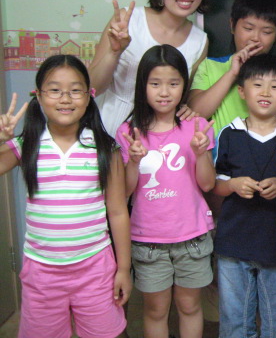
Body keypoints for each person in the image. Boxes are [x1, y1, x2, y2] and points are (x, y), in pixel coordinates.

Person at [0, 55, 131, 338]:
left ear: (89, 95)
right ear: (38, 95)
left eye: (75, 90)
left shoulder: (104, 148)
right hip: (41, 272)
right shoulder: (26, 144)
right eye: (55, 90)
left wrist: (124, 268)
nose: (65, 98)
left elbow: (118, 211)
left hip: (95, 267)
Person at [115, 45, 216, 338]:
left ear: (184, 85)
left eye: (173, 83)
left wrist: (201, 153)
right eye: (155, 83)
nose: (164, 92)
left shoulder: (197, 127)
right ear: (142, 85)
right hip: (148, 240)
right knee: (156, 311)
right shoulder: (129, 131)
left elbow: (208, 184)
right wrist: (134, 162)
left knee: (190, 307)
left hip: (192, 237)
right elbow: (125, 191)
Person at [213, 53, 276, 338]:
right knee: (234, 321)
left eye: (275, 87)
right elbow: (215, 184)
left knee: (274, 321)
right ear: (242, 91)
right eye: (257, 85)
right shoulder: (229, 134)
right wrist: (233, 185)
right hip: (234, 242)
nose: (265, 92)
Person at [90, 0, 214, 136]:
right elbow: (92, 88)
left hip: (158, 138)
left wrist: (187, 108)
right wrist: (114, 53)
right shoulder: (128, 21)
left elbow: (181, 99)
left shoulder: (199, 41)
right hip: (107, 125)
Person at [189, 0, 276, 137]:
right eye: (248, 28)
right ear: (232, 26)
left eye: (266, 32)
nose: (255, 38)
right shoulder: (209, 66)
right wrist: (232, 74)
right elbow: (196, 113)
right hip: (218, 151)